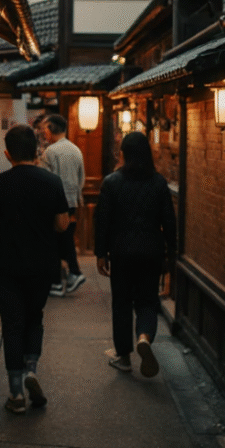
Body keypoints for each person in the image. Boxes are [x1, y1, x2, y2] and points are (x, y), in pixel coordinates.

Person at [0, 124, 70, 414]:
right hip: (42, 266)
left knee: (12, 326)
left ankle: (16, 394)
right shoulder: (52, 182)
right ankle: (31, 370)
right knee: (34, 319)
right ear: (37, 151)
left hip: (8, 267)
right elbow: (63, 224)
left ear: (7, 153)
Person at [94, 131, 177, 378]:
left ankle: (124, 357)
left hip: (121, 252)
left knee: (122, 303)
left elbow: (102, 222)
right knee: (147, 301)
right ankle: (144, 337)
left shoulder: (111, 182)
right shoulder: (159, 183)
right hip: (151, 252)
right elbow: (169, 223)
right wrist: (171, 254)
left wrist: (101, 253)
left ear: (124, 154)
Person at [38, 113, 87, 297]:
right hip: (72, 201)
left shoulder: (50, 152)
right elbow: (81, 178)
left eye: (45, 129)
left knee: (53, 242)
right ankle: (62, 279)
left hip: (54, 203)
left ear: (50, 129)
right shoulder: (76, 150)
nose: (44, 133)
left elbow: (45, 181)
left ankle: (65, 277)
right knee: (63, 239)